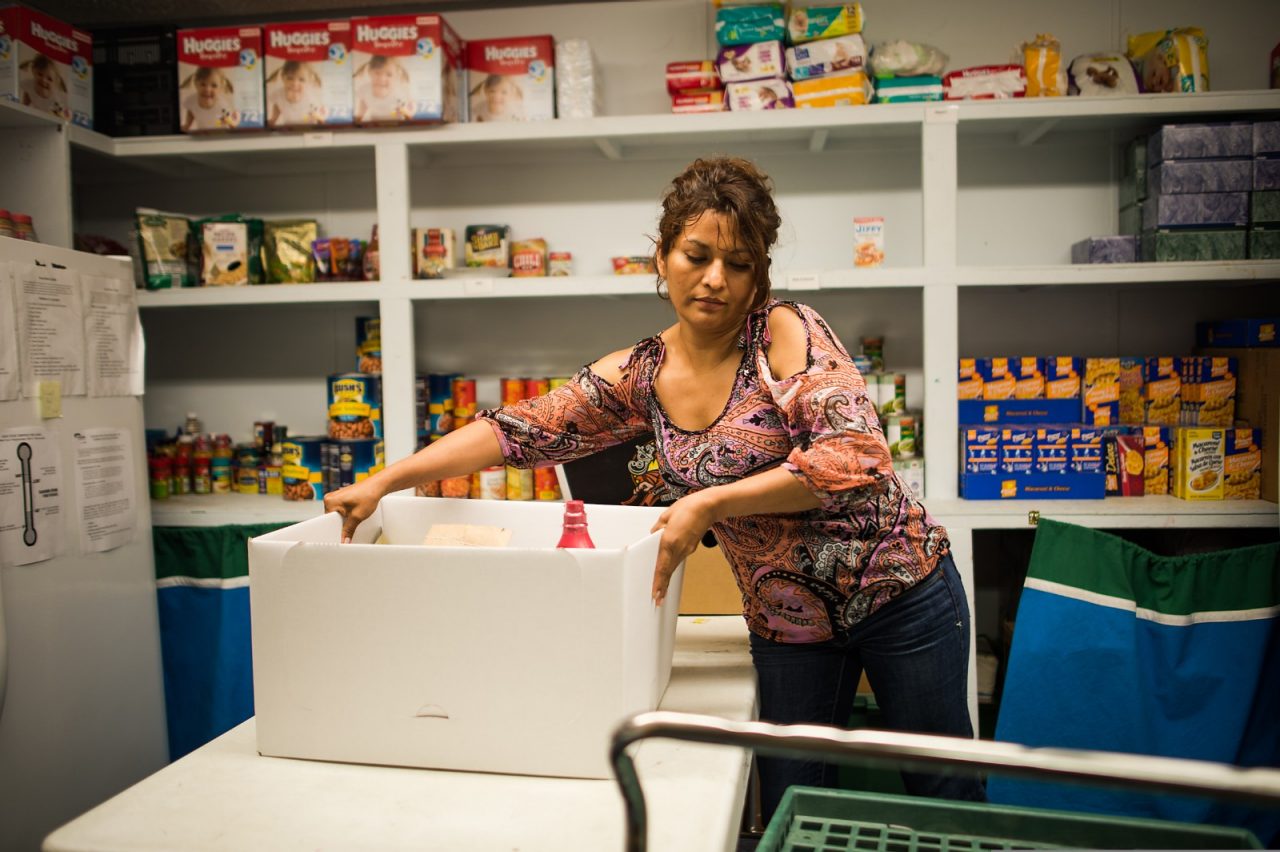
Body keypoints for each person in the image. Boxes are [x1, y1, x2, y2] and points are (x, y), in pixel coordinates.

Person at [324, 156, 984, 821]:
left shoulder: (785, 333)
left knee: (946, 795)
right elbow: (523, 430)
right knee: (793, 806)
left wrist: (707, 501)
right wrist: (383, 483)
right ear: (663, 256)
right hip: (789, 626)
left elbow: (853, 457)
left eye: (740, 263)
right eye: (696, 255)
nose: (715, 279)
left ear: (761, 274)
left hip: (902, 596)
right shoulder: (641, 374)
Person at [267, 60, 324, 127]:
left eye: (301, 80)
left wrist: (320, 120)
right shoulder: (279, 93)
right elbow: (277, 103)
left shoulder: (309, 97)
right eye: (290, 78)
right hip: (289, 129)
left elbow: (316, 112)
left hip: (308, 127)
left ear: (308, 80)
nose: (295, 84)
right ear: (283, 77)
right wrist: (274, 119)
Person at [354, 55, 410, 123]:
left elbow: (404, 111)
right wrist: (358, 118)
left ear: (396, 76)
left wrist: (407, 117)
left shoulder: (398, 94)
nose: (382, 79)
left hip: (394, 123)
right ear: (370, 72)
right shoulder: (365, 89)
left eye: (389, 75)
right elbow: (363, 104)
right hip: (375, 122)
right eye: (377, 73)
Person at [180, 66, 236, 131]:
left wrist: (232, 125)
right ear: (196, 83)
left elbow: (228, 118)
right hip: (202, 134)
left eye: (214, 86)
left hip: (220, 134)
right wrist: (187, 124)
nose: (207, 89)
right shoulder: (192, 100)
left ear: (220, 88)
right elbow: (191, 111)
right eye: (203, 84)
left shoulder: (222, 105)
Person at [20, 55, 69, 119]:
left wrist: (60, 115)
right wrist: (23, 107)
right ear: (34, 71)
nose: (43, 80)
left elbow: (60, 116)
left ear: (55, 83)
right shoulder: (30, 84)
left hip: (51, 113)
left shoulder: (56, 99)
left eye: (49, 79)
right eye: (40, 74)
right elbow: (27, 95)